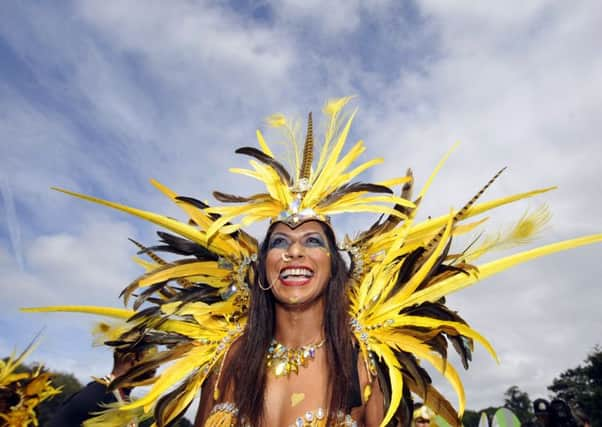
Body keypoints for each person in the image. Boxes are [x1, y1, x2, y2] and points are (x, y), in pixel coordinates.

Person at [24, 97, 602, 427]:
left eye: (313, 240)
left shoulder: (366, 360)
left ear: (335, 265)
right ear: (261, 267)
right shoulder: (226, 357)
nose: (295, 250)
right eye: (279, 240)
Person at [47, 343, 155, 427]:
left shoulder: (121, 399)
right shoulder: (98, 395)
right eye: (153, 359)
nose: (158, 365)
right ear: (132, 358)